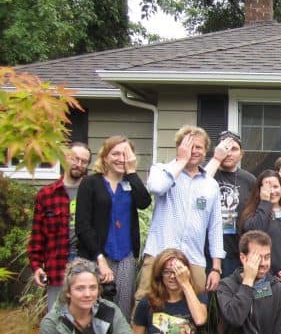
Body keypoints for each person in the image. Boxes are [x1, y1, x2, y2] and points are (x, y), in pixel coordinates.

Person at [138, 125, 224, 299]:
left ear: (206, 150)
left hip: (194, 259)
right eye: (188, 146)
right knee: (146, 306)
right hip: (159, 255)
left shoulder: (210, 184)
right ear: (179, 147)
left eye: (198, 147)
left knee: (195, 312)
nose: (193, 151)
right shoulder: (162, 170)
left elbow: (215, 227)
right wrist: (180, 162)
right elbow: (157, 187)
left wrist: (216, 267)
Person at [74, 136, 150, 319]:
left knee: (122, 311)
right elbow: (82, 225)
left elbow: (144, 202)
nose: (120, 158)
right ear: (105, 156)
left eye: (125, 154)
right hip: (97, 256)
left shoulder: (131, 183)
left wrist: (131, 172)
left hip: (125, 256)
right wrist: (100, 259)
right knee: (93, 309)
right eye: (115, 154)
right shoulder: (90, 183)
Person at [28, 142, 92, 312]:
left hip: (86, 264)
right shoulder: (46, 195)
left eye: (84, 161)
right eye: (75, 158)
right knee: (57, 319)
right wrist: (36, 266)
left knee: (85, 322)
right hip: (57, 265)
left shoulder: (94, 192)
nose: (79, 164)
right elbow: (37, 236)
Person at [240, 170, 281, 307]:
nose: (272, 191)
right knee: (265, 315)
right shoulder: (251, 214)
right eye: (267, 187)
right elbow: (254, 231)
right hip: (262, 279)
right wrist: (265, 203)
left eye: (276, 186)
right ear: (259, 190)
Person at [204, 131, 257, 277]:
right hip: (206, 250)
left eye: (234, 149)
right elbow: (198, 187)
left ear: (241, 154)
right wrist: (215, 159)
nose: (229, 153)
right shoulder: (207, 173)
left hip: (236, 249)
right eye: (225, 149)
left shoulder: (250, 180)